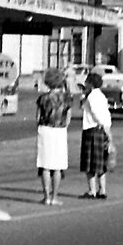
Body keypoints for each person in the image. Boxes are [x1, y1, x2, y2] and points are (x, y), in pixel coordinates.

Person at [34, 67, 71, 206]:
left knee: (45, 165)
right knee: (57, 166)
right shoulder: (66, 98)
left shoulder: (42, 98)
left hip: (45, 130)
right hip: (59, 131)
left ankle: (46, 197)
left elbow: (37, 118)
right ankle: (54, 197)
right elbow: (68, 119)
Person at [79, 74, 114, 198]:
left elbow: (95, 113)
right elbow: (106, 114)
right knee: (101, 162)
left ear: (90, 83)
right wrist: (107, 131)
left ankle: (92, 190)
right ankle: (102, 190)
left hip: (91, 129)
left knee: (90, 164)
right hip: (102, 130)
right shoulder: (102, 96)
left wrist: (101, 123)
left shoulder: (92, 96)